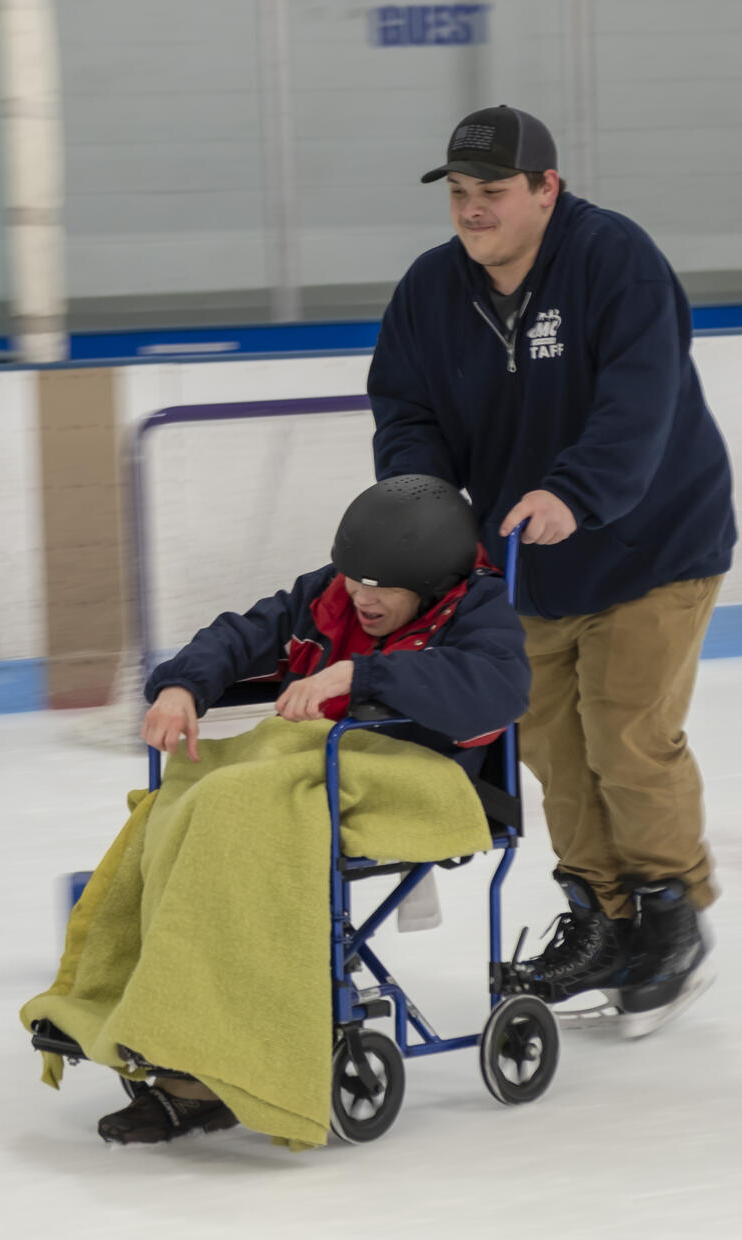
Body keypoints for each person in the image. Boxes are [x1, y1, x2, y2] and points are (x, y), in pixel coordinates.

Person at [367, 105, 737, 1037]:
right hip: (523, 562)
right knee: (549, 747)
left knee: (627, 734)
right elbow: (406, 409)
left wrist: (576, 490)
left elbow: (639, 400)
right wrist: (423, 513)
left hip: (652, 543)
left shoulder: (614, 261)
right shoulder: (430, 292)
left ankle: (670, 918)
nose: (472, 211)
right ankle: (602, 917)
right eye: (458, 193)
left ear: (546, 189)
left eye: (492, 192)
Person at [90, 474, 530, 1143]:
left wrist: (361, 675)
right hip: (319, 764)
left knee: (231, 808)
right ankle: (157, 1017)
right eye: (356, 579)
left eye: (382, 587)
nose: (363, 597)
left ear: (433, 584)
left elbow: (497, 691)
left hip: (423, 779)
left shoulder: (478, 608)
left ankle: (219, 1064)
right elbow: (242, 635)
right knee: (178, 799)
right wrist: (182, 686)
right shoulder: (328, 595)